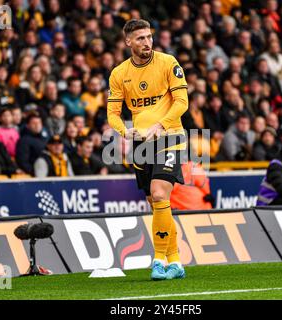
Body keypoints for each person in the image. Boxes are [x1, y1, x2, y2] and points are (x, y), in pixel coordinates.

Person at [107, 19, 188, 281]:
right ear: (128, 42)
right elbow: (112, 113)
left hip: (170, 137)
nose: (147, 42)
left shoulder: (168, 63)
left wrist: (160, 125)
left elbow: (182, 102)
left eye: (149, 37)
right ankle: (175, 261)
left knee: (159, 193)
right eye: (140, 38)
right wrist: (123, 130)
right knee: (156, 204)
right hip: (141, 143)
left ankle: (159, 260)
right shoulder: (119, 73)